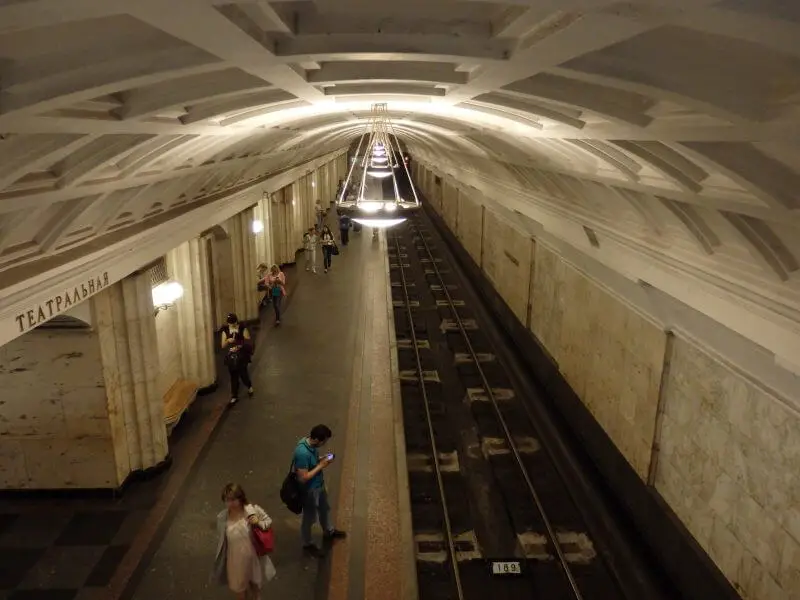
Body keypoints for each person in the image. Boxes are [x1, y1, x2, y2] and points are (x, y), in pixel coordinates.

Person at [214, 483, 275, 600]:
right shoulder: (222, 517)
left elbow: (268, 521)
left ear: (240, 498)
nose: (230, 503)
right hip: (235, 560)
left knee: (255, 588)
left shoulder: (252, 510)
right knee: (240, 590)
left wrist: (258, 522)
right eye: (227, 500)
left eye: (233, 499)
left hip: (252, 558)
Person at [293, 425, 346, 557]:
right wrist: (321, 466)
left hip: (319, 486)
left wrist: (320, 459)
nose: (324, 443)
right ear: (317, 439)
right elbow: (303, 478)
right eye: (324, 441)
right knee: (309, 518)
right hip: (310, 491)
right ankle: (307, 543)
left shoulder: (311, 446)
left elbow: (312, 463)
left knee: (324, 509)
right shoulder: (302, 453)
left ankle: (329, 531)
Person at [221, 313, 253, 405]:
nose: (231, 325)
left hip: (242, 355)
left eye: (233, 323)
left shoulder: (242, 328)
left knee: (243, 373)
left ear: (236, 322)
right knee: (233, 376)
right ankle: (234, 395)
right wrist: (228, 340)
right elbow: (222, 345)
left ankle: (249, 386)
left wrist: (238, 345)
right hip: (231, 357)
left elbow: (248, 341)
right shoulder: (225, 331)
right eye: (230, 323)